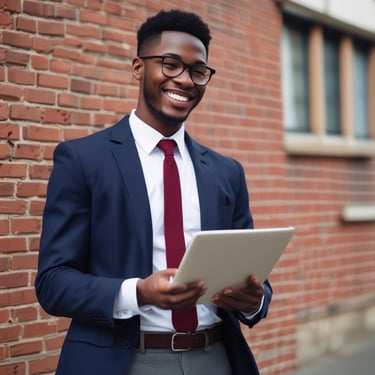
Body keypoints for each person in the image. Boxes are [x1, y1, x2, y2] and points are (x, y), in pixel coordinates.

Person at [35, 9, 272, 375]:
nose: (186, 80)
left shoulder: (227, 172)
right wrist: (139, 293)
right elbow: (53, 283)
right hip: (125, 361)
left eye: (198, 71)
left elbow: (253, 275)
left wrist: (253, 300)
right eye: (170, 64)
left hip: (215, 357)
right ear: (138, 68)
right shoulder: (83, 160)